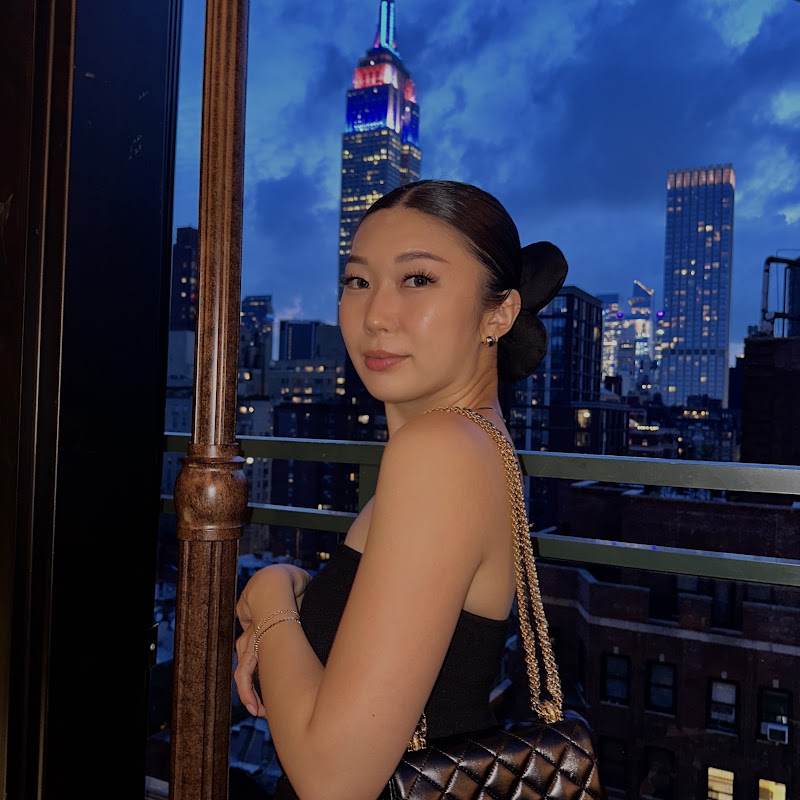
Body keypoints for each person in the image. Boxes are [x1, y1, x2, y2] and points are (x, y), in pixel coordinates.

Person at [233, 180, 568, 800]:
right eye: (358, 280)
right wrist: (305, 595)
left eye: (418, 279)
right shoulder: (478, 443)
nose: (375, 315)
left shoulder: (439, 451)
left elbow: (333, 781)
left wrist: (269, 592)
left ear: (498, 314)